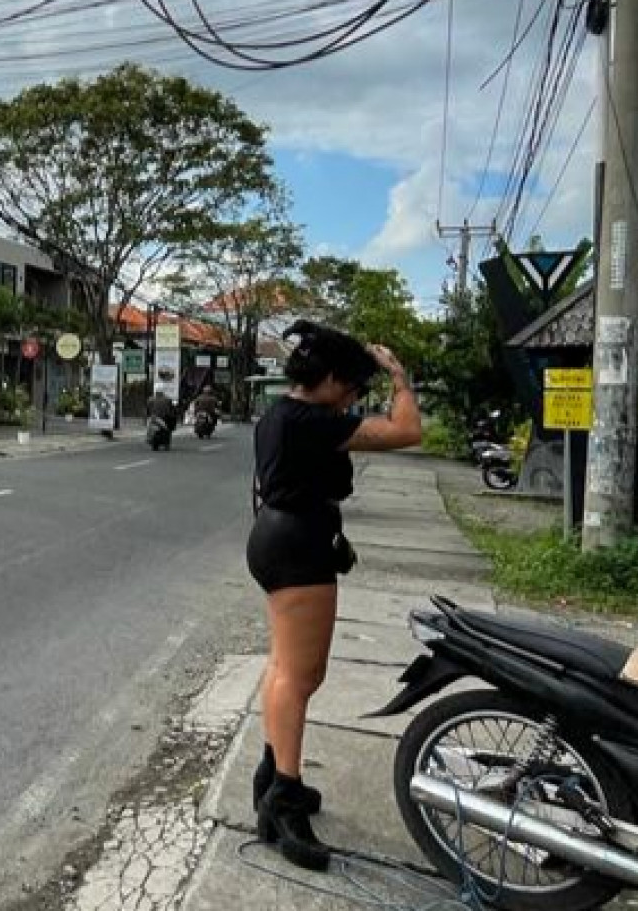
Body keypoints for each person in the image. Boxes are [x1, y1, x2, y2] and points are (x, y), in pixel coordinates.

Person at [246, 321, 421, 872]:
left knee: (285, 668)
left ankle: (274, 770)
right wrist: (399, 378)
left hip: (279, 537)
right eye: (348, 386)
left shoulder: (280, 413)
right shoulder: (312, 421)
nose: (351, 398)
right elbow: (406, 431)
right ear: (325, 379)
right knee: (300, 677)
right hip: (297, 547)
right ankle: (284, 797)